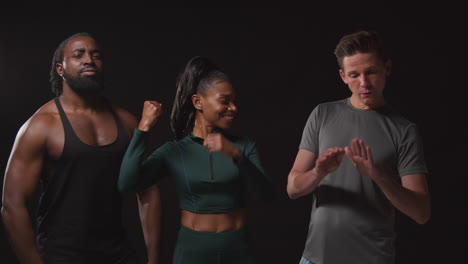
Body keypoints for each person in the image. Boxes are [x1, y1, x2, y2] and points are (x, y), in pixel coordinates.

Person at [1, 32, 161, 264]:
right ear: (60, 69)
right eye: (78, 55)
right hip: (62, 256)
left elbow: (147, 190)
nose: (89, 60)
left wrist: (154, 259)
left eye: (96, 55)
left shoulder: (125, 122)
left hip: (118, 254)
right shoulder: (41, 125)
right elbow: (12, 205)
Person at [286, 30, 431, 264]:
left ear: (387, 68)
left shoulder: (404, 130)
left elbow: (421, 213)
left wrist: (377, 175)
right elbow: (293, 189)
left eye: (371, 72)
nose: (363, 83)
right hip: (314, 259)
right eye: (354, 75)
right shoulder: (322, 114)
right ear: (343, 76)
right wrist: (318, 172)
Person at [118, 56, 274, 264]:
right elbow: (127, 183)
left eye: (234, 101)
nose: (233, 108)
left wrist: (236, 155)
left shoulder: (244, 146)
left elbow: (267, 197)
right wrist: (143, 128)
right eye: (224, 101)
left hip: (238, 250)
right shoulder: (175, 151)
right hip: (192, 252)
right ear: (198, 102)